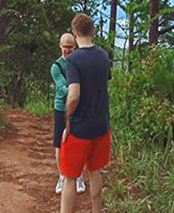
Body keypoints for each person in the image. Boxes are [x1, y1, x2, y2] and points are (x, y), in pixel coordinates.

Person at [60, 14, 111, 213]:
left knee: (70, 177)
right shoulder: (103, 56)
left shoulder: (73, 60)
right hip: (100, 126)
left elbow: (73, 96)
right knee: (95, 171)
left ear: (74, 33)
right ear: (93, 32)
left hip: (80, 129)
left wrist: (68, 121)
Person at [52, 33, 86, 195]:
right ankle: (62, 176)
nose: (67, 50)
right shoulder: (56, 67)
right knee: (60, 143)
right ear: (60, 46)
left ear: (75, 47)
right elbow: (64, 89)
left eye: (70, 47)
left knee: (79, 142)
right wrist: (78, 91)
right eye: (64, 47)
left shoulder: (79, 63)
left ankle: (78, 175)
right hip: (61, 108)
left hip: (79, 107)